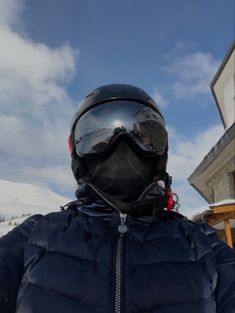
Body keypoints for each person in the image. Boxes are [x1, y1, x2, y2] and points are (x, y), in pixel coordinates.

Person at [0, 84, 234, 313]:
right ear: (76, 152)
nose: (123, 145)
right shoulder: (38, 234)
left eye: (142, 137)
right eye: (98, 139)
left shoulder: (198, 242)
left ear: (161, 151)